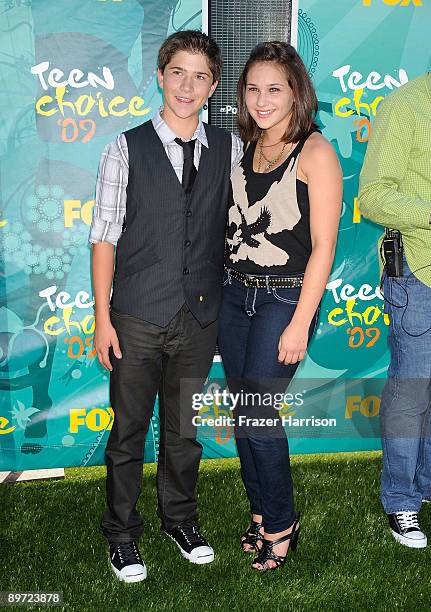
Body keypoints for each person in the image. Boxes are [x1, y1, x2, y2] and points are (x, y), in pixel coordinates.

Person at [89, 30, 242, 582]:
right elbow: (103, 236)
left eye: (200, 75)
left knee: (183, 431)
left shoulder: (229, 149)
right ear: (160, 75)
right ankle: (122, 535)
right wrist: (103, 318)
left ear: (214, 86)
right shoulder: (123, 147)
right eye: (178, 72)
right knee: (129, 432)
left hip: (199, 317)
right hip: (135, 316)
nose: (187, 85)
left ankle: (180, 520)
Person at [218, 41, 342, 572]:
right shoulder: (242, 146)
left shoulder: (315, 152)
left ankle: (283, 521)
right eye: (252, 89)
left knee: (258, 411)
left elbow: (324, 249)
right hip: (233, 294)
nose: (262, 100)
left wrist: (298, 323)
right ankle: (262, 510)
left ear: (296, 92)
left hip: (285, 296)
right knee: (243, 409)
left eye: (274, 89)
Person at [358, 73, 431, 549]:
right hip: (420, 270)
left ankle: (424, 486)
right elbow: (372, 194)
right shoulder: (407, 104)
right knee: (412, 390)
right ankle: (402, 499)